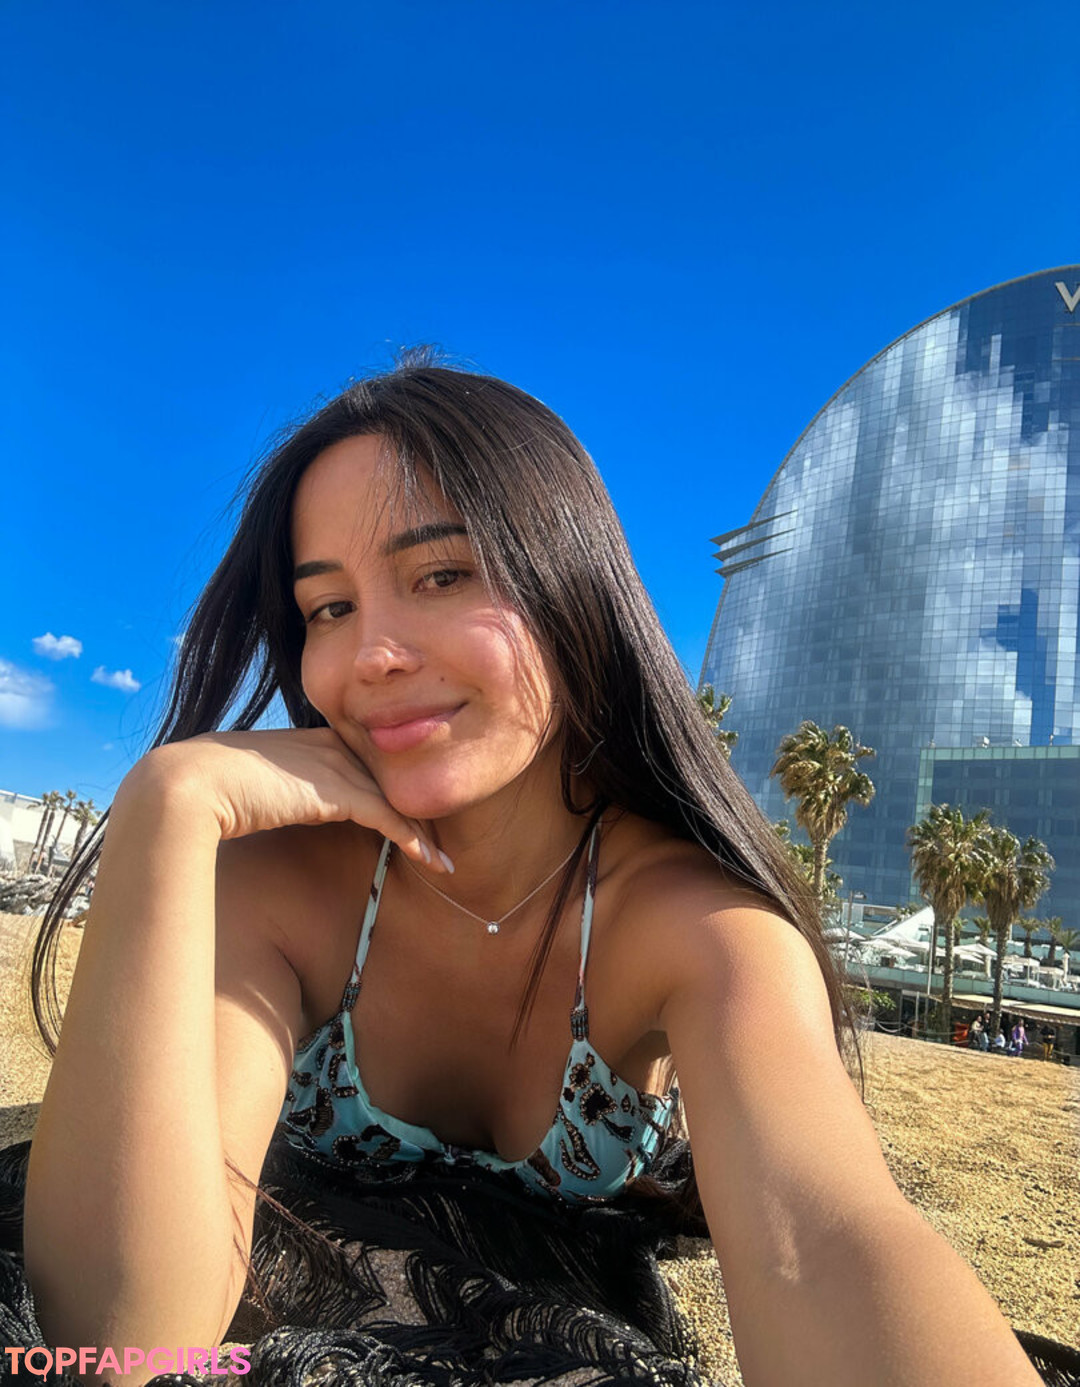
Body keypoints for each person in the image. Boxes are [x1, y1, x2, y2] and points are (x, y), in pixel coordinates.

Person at [17, 357, 1039, 1386]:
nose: (371, 653)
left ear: (573, 588)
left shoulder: (696, 925)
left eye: (440, 575)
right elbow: (126, 1331)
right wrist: (165, 805)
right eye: (328, 607)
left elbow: (826, 1242)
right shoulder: (281, 882)